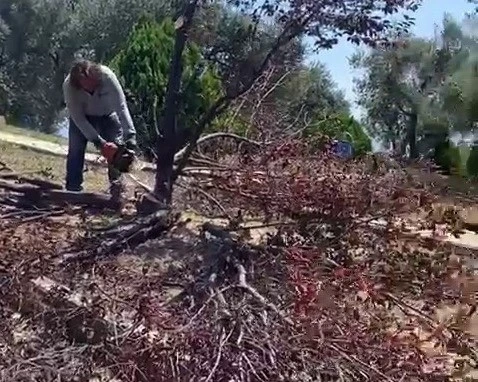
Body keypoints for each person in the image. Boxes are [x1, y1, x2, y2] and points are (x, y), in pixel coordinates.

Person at [62, 59, 137, 201]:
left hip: (108, 116)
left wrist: (130, 137)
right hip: (83, 118)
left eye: (93, 85)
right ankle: (73, 192)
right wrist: (99, 143)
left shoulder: (108, 77)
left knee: (118, 151)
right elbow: (79, 119)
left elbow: (121, 108)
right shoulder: (69, 86)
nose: (91, 89)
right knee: (75, 151)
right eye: (85, 87)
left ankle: (117, 191)